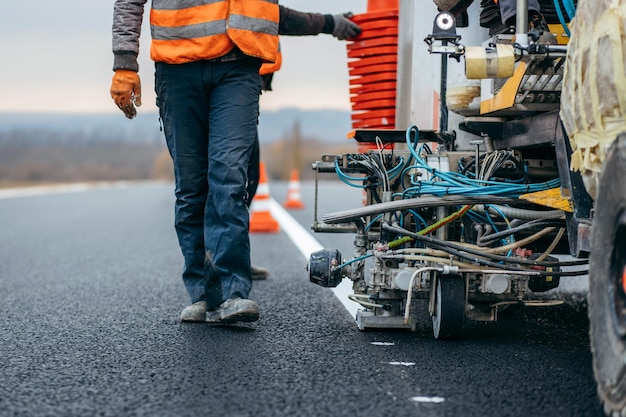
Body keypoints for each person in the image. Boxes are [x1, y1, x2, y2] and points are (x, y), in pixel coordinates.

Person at [109, 1, 359, 323]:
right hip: (177, 69)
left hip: (238, 68)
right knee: (191, 186)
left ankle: (232, 293)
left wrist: (328, 23)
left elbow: (264, 11)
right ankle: (202, 294)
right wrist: (125, 63)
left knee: (228, 177)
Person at [246, 7, 361, 280]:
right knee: (232, 179)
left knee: (242, 178)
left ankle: (226, 258)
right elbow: (277, 16)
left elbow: (272, 16)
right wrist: (329, 22)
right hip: (229, 83)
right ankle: (216, 262)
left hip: (241, 84)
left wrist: (330, 21)